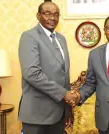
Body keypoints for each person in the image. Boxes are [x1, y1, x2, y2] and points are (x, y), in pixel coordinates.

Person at [18, 2, 79, 134]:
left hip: (59, 114)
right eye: (47, 13)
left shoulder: (61, 39)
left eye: (56, 14)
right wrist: (64, 94)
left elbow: (63, 75)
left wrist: (67, 110)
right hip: (37, 115)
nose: (52, 18)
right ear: (38, 16)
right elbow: (32, 74)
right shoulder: (29, 37)